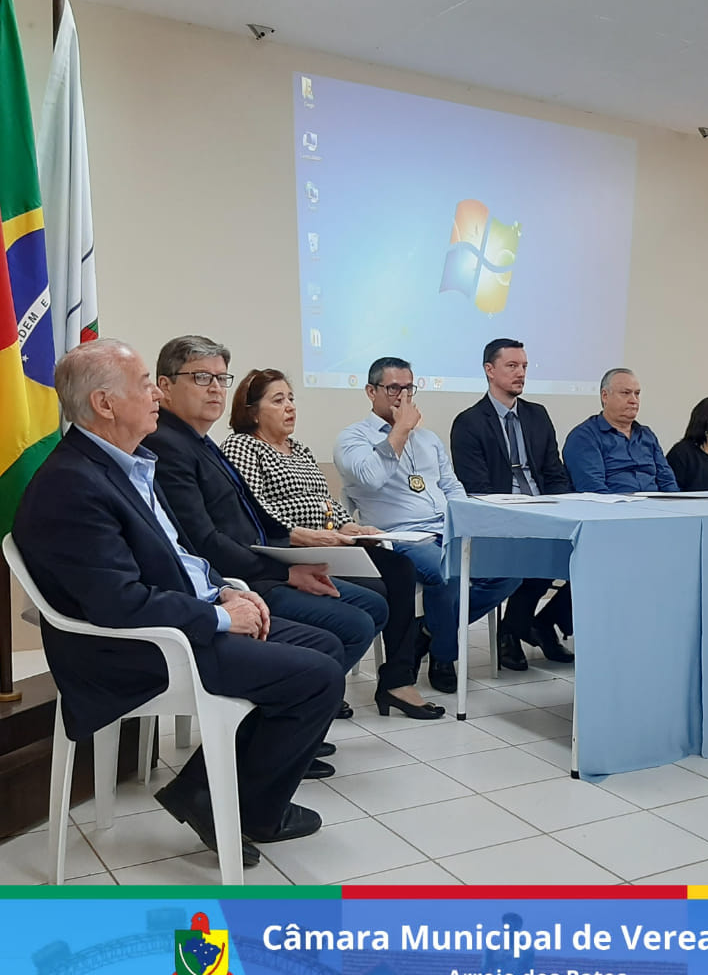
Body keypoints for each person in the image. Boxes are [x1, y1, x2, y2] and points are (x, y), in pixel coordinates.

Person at [12, 340, 342, 865]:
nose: (155, 396)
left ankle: (205, 791)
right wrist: (218, 616)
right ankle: (242, 809)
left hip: (176, 621)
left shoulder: (127, 464)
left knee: (323, 646)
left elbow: (180, 553)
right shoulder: (72, 485)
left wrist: (227, 587)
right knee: (316, 677)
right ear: (104, 403)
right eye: (144, 383)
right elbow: (118, 604)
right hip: (137, 650)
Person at [143, 336, 389, 765]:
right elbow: (205, 541)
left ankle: (295, 721)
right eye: (201, 377)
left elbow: (252, 518)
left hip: (259, 565)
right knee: (350, 625)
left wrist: (298, 543)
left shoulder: (199, 440)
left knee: (374, 601)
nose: (216, 388)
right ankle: (285, 728)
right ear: (163, 385)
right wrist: (284, 571)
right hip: (239, 581)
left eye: (221, 377)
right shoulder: (169, 445)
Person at [219, 368, 442, 721]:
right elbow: (252, 511)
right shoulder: (243, 445)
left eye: (291, 399)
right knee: (379, 593)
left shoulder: (301, 449)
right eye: (278, 401)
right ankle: (320, 680)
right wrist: (302, 534)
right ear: (252, 411)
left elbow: (326, 502)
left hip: (331, 543)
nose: (290, 407)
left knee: (401, 569)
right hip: (291, 549)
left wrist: (352, 526)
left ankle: (396, 681)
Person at [334, 357, 520, 693]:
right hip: (397, 537)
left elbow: (451, 487)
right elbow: (371, 478)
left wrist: (465, 522)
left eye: (408, 388)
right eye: (393, 388)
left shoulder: (429, 439)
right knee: (447, 572)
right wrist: (400, 429)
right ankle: (444, 656)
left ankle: (430, 632)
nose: (403, 397)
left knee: (512, 566)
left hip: (443, 527)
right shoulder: (352, 438)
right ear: (370, 391)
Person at [450, 338, 574, 671]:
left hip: (545, 511)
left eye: (524, 367)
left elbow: (554, 472)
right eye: (512, 366)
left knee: (586, 553)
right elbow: (476, 488)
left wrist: (563, 507)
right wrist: (520, 513)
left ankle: (517, 627)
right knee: (532, 554)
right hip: (502, 518)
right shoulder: (469, 422)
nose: (521, 374)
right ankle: (513, 632)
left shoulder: (537, 415)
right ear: (489, 371)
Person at [563, 368, 678, 493]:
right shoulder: (584, 436)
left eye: (637, 393)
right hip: (612, 509)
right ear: (605, 396)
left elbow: (667, 481)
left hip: (656, 507)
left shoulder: (646, 435)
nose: (633, 400)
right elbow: (593, 489)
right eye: (625, 393)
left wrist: (676, 507)